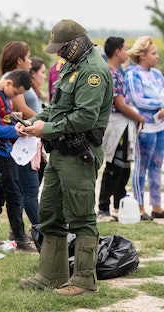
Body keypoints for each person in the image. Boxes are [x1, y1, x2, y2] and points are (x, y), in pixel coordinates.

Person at [17, 19, 113, 296]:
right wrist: (32, 121)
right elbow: (58, 108)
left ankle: (83, 280)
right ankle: (51, 275)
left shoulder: (93, 71)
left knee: (81, 215)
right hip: (59, 152)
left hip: (80, 154)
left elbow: (85, 117)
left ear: (76, 43)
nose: (58, 53)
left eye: (62, 48)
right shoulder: (72, 65)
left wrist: (45, 128)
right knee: (50, 213)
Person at [0, 69, 36, 252]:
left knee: (1, 194)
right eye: (17, 92)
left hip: (10, 151)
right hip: (0, 153)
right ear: (10, 83)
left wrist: (16, 120)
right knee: (14, 194)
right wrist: (13, 131)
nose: (17, 96)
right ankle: (20, 239)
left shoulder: (5, 96)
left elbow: (2, 119)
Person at [97, 37, 145, 222]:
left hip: (123, 123)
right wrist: (139, 117)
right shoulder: (111, 73)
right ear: (117, 52)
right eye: (125, 49)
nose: (127, 52)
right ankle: (103, 207)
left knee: (124, 166)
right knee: (114, 165)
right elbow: (120, 104)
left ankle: (119, 205)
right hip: (115, 123)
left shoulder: (118, 72)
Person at [0, 40, 40, 239]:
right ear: (19, 59)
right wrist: (45, 122)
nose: (31, 61)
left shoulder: (18, 78)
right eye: (28, 56)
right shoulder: (11, 80)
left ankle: (18, 231)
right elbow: (22, 109)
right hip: (24, 139)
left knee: (25, 189)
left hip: (32, 136)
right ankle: (40, 232)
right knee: (29, 189)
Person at [125, 36, 164, 220]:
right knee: (141, 167)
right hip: (144, 127)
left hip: (160, 125)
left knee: (157, 166)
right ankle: (139, 207)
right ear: (142, 55)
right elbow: (138, 100)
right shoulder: (133, 74)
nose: (157, 56)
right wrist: (161, 103)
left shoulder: (157, 74)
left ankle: (156, 206)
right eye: (153, 53)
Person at [25, 56, 49, 185]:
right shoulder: (29, 92)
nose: (44, 77)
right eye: (43, 72)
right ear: (33, 73)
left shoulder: (35, 92)